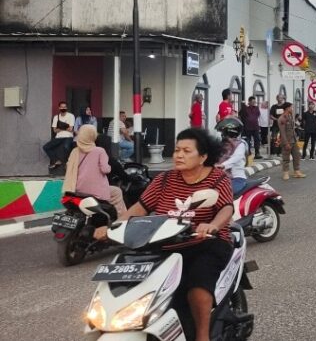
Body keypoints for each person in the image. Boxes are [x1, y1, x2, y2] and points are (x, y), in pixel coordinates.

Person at [94, 128, 235, 341]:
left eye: (187, 151)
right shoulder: (165, 179)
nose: (179, 155)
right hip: (165, 243)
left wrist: (212, 225)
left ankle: (202, 335)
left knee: (197, 285)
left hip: (206, 243)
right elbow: (140, 208)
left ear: (203, 157)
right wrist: (113, 227)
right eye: (177, 150)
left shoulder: (217, 178)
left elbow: (226, 208)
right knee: (138, 285)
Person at [62, 125, 128, 216]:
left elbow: (68, 168)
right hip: (96, 192)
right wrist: (109, 167)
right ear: (93, 136)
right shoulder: (100, 151)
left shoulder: (74, 151)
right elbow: (105, 170)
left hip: (76, 190)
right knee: (117, 191)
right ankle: (121, 219)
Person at [215, 118, 248, 196]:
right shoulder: (221, 144)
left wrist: (223, 165)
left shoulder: (240, 144)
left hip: (237, 179)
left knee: (223, 194)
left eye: (222, 132)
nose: (220, 134)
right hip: (221, 178)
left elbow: (236, 158)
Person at [44, 101, 76, 169]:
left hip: (68, 136)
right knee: (46, 147)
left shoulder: (71, 116)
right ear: (59, 108)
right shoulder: (56, 117)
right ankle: (56, 160)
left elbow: (70, 129)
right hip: (58, 137)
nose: (63, 108)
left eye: (65, 107)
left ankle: (67, 163)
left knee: (66, 147)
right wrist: (65, 127)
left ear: (67, 107)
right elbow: (55, 130)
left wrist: (60, 128)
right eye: (62, 107)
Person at [277, 103, 305, 180]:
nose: (292, 109)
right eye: (291, 107)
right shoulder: (282, 118)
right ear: (287, 108)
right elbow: (282, 132)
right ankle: (285, 173)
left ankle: (297, 171)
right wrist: (286, 143)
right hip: (287, 141)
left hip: (293, 140)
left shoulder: (290, 116)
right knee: (286, 157)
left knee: (297, 155)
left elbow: (292, 129)